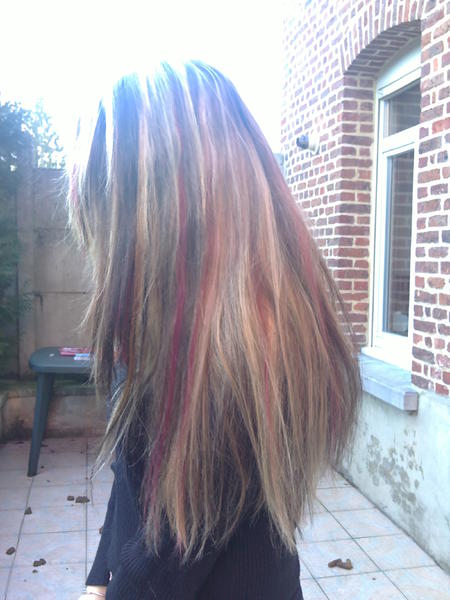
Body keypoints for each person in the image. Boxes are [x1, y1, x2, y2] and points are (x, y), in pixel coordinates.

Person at [69, 60, 361, 599]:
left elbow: (172, 549)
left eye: (113, 207)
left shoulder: (239, 363)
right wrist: (99, 572)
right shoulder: (158, 327)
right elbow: (131, 484)